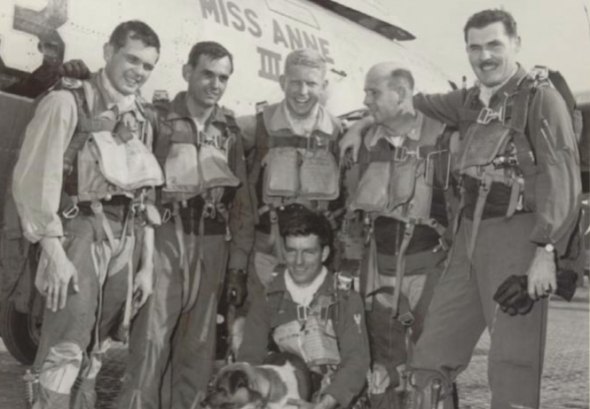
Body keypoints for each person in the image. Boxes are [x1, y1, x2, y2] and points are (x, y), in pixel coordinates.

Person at [340, 9, 581, 409]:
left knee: (512, 366)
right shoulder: (468, 100)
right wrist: (362, 123)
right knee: (429, 358)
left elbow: (564, 179)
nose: (484, 56)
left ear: (515, 44)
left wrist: (546, 252)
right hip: (467, 239)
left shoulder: (541, 99)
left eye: (494, 46)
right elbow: (406, 103)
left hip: (518, 237)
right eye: (475, 47)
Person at [12, 20, 163, 408]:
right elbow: (34, 181)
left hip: (122, 243)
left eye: (148, 66)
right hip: (76, 237)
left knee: (98, 350)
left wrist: (145, 266)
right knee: (65, 347)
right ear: (109, 52)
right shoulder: (67, 102)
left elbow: (144, 199)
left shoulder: (141, 119)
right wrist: (54, 252)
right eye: (132, 59)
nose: (139, 72)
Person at [115, 41, 254, 409]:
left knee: (198, 351)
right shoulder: (156, 120)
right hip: (165, 240)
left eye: (223, 77)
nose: (215, 84)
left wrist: (237, 267)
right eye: (207, 73)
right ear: (187, 72)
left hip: (211, 247)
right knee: (150, 347)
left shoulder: (230, 132)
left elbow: (242, 208)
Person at [348, 64, 451, 408]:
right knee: (383, 368)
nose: (366, 100)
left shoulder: (444, 138)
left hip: (428, 271)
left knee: (432, 371)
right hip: (380, 272)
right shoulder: (364, 142)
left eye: (373, 93)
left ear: (402, 93)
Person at [236, 48, 343, 310]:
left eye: (311, 83)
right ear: (283, 82)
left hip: (314, 253)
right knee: (256, 326)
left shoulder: (339, 133)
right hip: (267, 249)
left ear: (324, 86)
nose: (302, 91)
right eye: (295, 82)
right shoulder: (255, 127)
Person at [238, 204, 370, 409]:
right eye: (292, 251)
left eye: (308, 252)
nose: (298, 262)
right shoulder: (268, 297)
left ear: (324, 253)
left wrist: (327, 403)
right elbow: (249, 358)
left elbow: (356, 361)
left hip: (333, 397)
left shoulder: (344, 298)